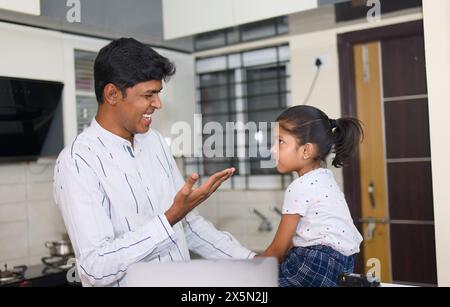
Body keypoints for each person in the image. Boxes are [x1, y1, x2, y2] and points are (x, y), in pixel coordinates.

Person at [53, 38, 255, 287]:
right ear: (112, 94)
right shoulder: (77, 161)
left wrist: (252, 261)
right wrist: (169, 218)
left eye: (158, 93)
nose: (157, 104)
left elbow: (189, 227)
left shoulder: (155, 142)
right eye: (148, 95)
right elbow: (94, 268)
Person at [259, 105, 364, 287]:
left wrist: (249, 269)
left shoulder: (299, 187)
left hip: (315, 263)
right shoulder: (326, 179)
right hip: (344, 265)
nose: (273, 149)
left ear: (306, 150)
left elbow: (279, 248)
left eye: (280, 141)